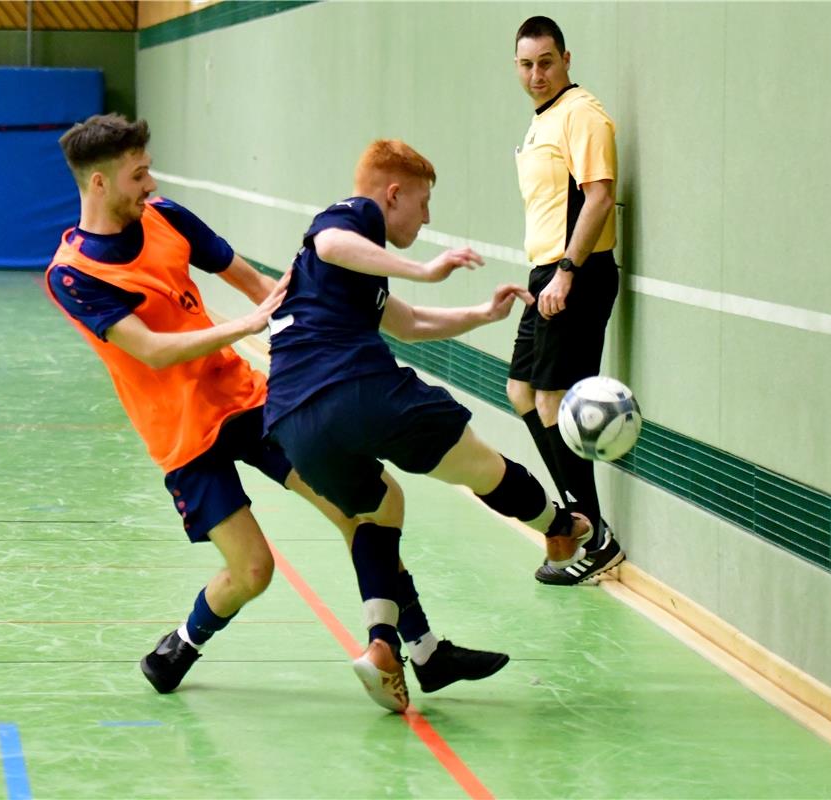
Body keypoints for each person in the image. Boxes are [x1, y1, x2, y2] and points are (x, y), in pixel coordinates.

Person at [45, 114, 506, 702]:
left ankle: (417, 649)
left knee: (361, 506)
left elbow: (255, 281)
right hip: (182, 435)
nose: (151, 185)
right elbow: (153, 351)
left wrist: (311, 328)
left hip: (247, 399)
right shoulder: (73, 275)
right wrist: (246, 325)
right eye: (139, 175)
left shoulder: (167, 217)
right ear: (100, 184)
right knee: (253, 573)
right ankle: (184, 642)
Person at [264, 139, 593, 713]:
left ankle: (384, 647)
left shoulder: (339, 279)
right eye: (423, 202)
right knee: (481, 465)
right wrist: (422, 268)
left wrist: (483, 315)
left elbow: (409, 323)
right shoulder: (353, 219)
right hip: (351, 389)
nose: (428, 217)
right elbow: (331, 240)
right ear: (393, 195)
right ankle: (559, 525)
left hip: (291, 422)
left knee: (381, 508)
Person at [508, 15, 626, 586]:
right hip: (546, 276)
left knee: (554, 402)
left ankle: (594, 535)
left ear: (567, 59)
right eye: (527, 64)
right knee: (521, 391)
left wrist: (567, 271)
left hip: (574, 275)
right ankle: (576, 516)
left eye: (546, 62)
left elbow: (599, 197)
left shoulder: (582, 114)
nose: (537, 74)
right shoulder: (543, 121)